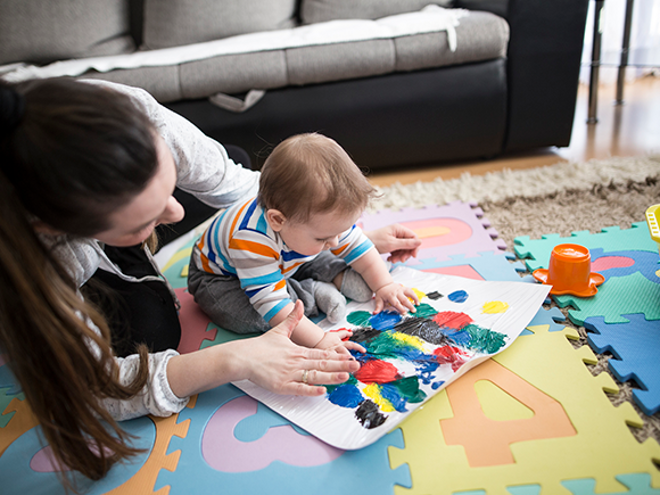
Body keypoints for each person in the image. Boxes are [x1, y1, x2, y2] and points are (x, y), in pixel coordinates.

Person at [0, 77, 421, 485]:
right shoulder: (37, 264)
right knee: (154, 334)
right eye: (146, 221)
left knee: (239, 161)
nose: (177, 214)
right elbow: (96, 390)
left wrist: (336, 241)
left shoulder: (132, 115)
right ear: (54, 227)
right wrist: (234, 359)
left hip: (237, 231)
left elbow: (243, 188)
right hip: (125, 268)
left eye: (169, 185)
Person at [189, 133, 420, 352]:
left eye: (339, 231)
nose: (336, 240)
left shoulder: (310, 225)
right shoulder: (251, 239)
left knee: (317, 249)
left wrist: (384, 285)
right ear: (278, 220)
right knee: (246, 317)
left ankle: (330, 274)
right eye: (324, 236)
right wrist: (319, 340)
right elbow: (272, 302)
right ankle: (310, 292)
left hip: (287, 256)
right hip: (221, 278)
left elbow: (356, 246)